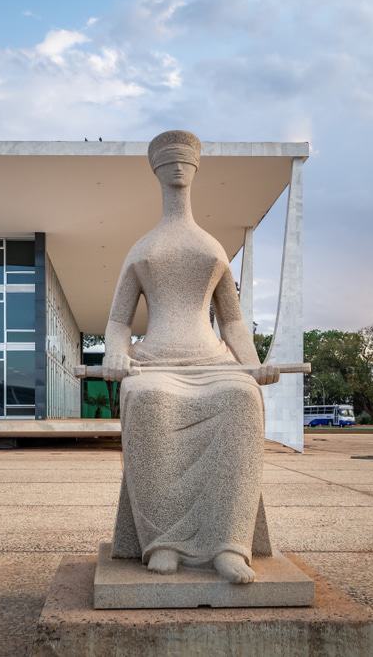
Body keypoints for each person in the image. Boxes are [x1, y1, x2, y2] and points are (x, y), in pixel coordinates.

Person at [103, 130, 279, 584]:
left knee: (242, 400)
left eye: (186, 161)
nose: (178, 168)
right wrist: (116, 354)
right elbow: (119, 320)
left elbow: (233, 321)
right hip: (156, 362)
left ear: (195, 169)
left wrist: (253, 363)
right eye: (169, 162)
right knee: (145, 400)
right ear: (156, 170)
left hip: (213, 361)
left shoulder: (212, 248)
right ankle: (164, 541)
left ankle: (229, 544)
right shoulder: (142, 249)